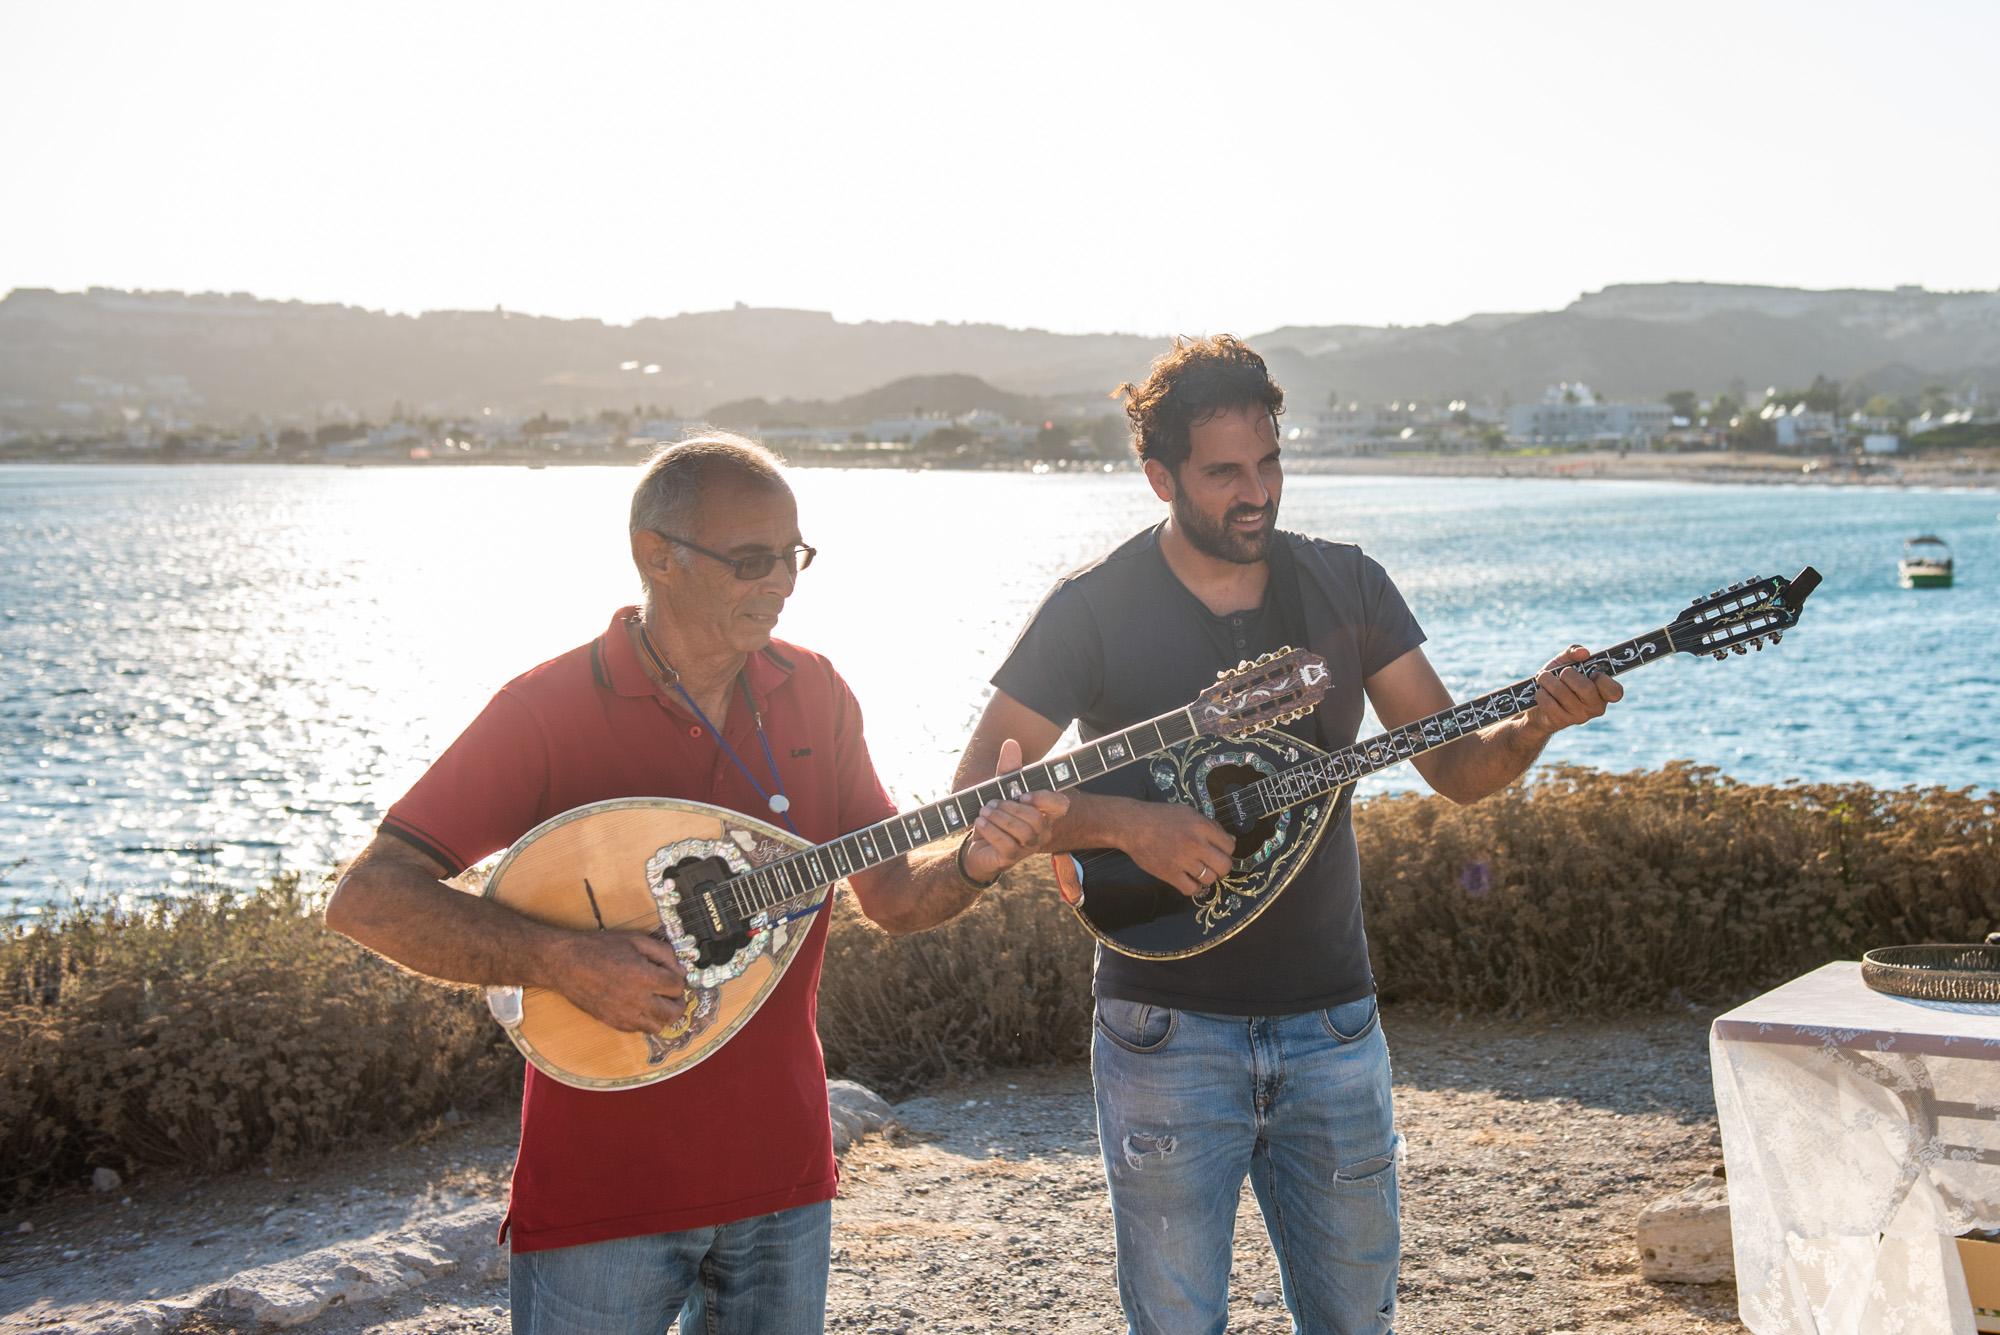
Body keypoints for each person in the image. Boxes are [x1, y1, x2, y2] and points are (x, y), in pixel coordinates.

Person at [953, 336, 1623, 1335]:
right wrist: (1125, 822)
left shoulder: (1346, 588)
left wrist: (1533, 722)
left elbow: (1451, 765)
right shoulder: (1090, 608)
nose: (1255, 492)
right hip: (1162, 1030)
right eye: (1223, 472)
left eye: (1268, 463)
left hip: (1333, 1031)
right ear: (1158, 477)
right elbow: (978, 795)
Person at [326, 435, 1065, 1335]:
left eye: (792, 557)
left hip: (783, 1179)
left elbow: (892, 895)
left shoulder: (816, 692)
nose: (782, 583)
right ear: (656, 555)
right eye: (751, 560)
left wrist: (976, 861)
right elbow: (369, 896)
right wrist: (561, 957)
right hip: (605, 1194)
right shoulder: (548, 708)